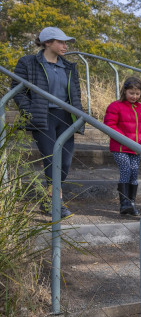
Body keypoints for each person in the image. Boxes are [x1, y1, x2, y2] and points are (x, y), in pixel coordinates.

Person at [12, 27, 83, 219]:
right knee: (52, 160)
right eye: (60, 42)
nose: (65, 46)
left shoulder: (69, 66)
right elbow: (17, 90)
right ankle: (53, 203)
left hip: (66, 117)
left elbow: (76, 93)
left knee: (65, 163)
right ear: (47, 43)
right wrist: (30, 111)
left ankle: (49, 199)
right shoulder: (28, 63)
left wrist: (79, 114)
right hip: (43, 117)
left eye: (65, 42)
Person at [104, 77, 141, 216]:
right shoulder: (115, 106)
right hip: (120, 147)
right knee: (126, 170)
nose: (134, 96)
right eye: (131, 93)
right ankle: (124, 203)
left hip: (137, 148)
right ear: (125, 91)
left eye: (137, 94)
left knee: (134, 173)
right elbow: (110, 124)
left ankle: (131, 203)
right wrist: (123, 138)